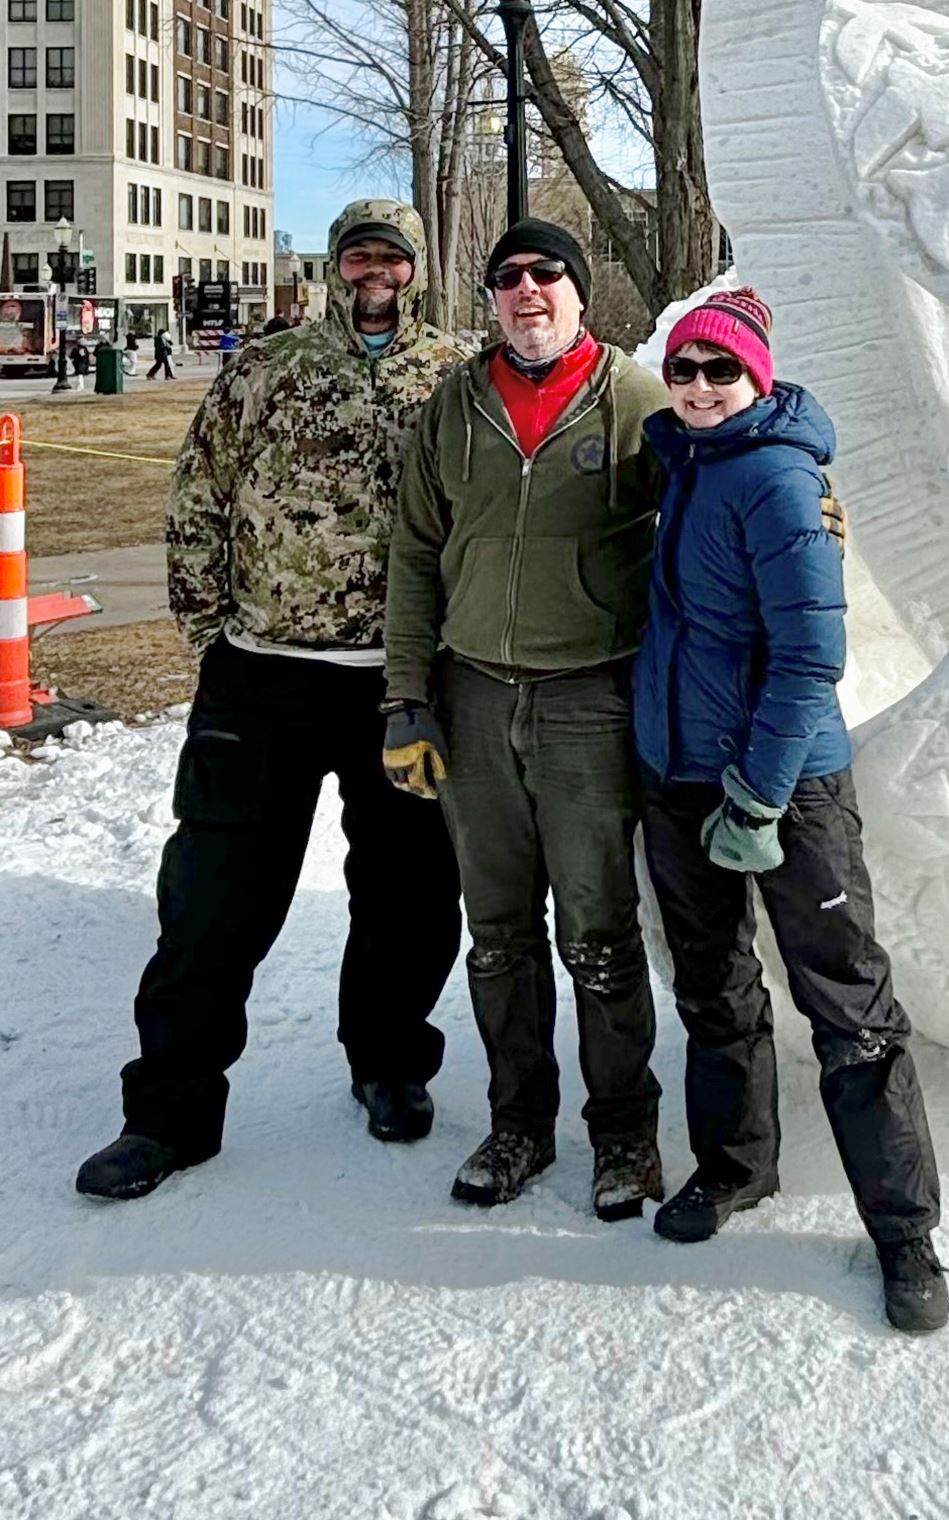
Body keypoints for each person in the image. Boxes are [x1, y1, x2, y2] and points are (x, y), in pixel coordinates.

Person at [75, 199, 467, 1201]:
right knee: (212, 898)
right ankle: (167, 1111)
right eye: (358, 255)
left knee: (411, 893)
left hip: (401, 682)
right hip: (262, 676)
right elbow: (197, 496)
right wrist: (212, 638)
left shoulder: (456, 376)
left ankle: (389, 1062)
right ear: (336, 267)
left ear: (416, 270)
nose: (375, 271)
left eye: (392, 257)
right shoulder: (265, 367)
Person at [633, 288, 948, 1334]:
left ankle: (904, 1230)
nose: (699, 387)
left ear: (758, 379)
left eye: (721, 370)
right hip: (680, 775)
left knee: (847, 1001)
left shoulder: (777, 477)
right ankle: (736, 1165)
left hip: (786, 788)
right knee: (714, 984)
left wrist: (762, 791)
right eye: (684, 369)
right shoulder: (684, 464)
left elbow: (812, 655)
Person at [383, 218, 667, 1223]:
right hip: (473, 698)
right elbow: (415, 553)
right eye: (508, 277)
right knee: (498, 932)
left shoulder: (635, 398)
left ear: (580, 291)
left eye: (548, 272)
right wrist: (406, 698)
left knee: (598, 929)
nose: (528, 289)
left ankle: (624, 1131)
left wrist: (805, 502)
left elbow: (720, 482)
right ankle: (520, 1122)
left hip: (588, 700)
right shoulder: (455, 406)